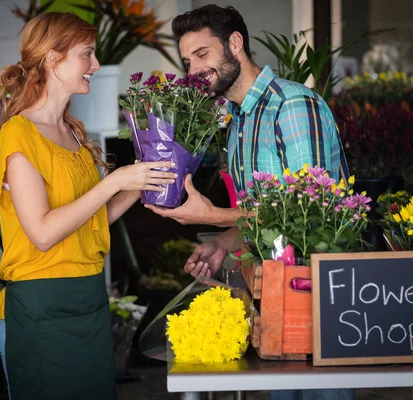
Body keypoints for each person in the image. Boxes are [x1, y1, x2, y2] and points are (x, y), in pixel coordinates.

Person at [146, 5, 354, 400]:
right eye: (188, 60)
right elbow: (264, 213)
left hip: (323, 296)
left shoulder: (290, 106)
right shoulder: (239, 118)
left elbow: (308, 213)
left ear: (235, 44)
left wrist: (210, 214)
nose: (194, 70)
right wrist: (224, 241)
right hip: (278, 292)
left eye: (203, 54)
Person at [0, 12, 176, 400]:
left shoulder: (73, 132)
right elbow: (41, 233)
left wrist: (141, 186)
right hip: (42, 306)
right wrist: (114, 181)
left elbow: (91, 220)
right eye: (87, 54)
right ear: (53, 60)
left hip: (88, 301)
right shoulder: (18, 135)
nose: (96, 65)